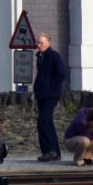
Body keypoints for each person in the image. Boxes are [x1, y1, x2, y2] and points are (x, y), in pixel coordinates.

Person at [34, 32, 67, 162]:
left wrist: (49, 86)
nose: (39, 45)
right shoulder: (40, 57)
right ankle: (54, 152)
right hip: (42, 94)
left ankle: (49, 151)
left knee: (43, 119)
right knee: (46, 122)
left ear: (48, 43)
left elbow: (61, 74)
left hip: (51, 94)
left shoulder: (54, 55)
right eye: (38, 42)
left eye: (41, 42)